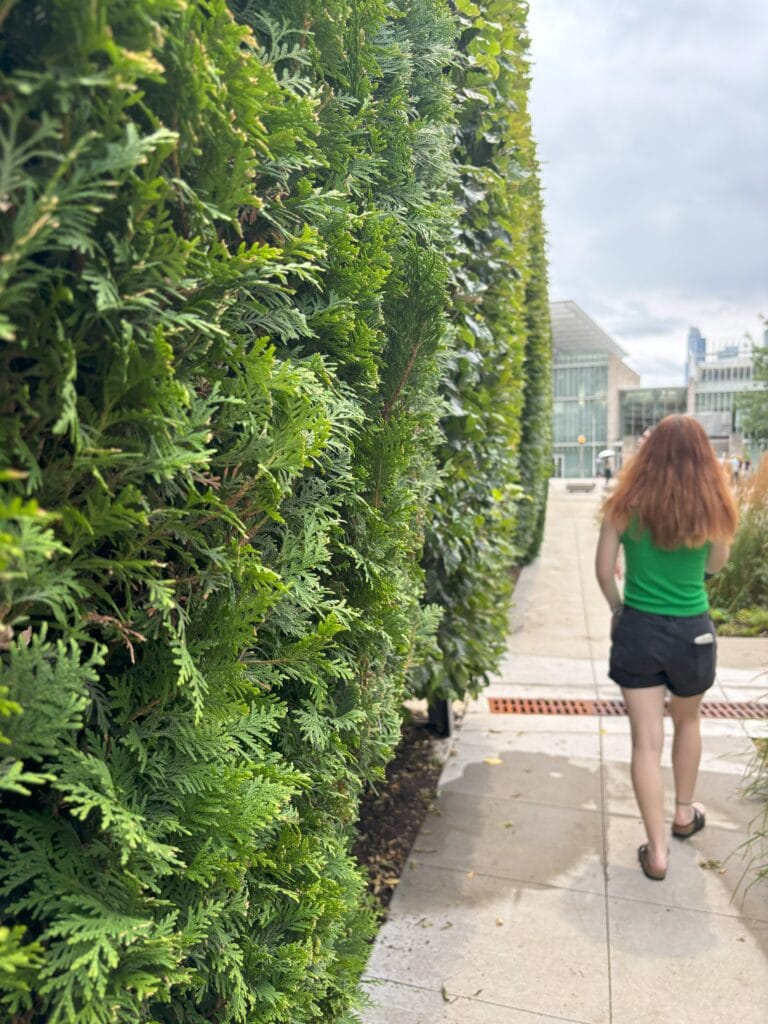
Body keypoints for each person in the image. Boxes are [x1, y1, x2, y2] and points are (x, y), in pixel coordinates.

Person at [594, 415, 738, 881]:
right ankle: (682, 813)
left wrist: (619, 610)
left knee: (645, 741)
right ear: (704, 458)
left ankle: (656, 852)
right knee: (689, 721)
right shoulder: (713, 509)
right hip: (692, 633)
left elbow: (602, 570)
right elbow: (715, 566)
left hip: (638, 629)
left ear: (648, 454)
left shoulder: (624, 504)